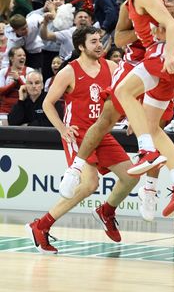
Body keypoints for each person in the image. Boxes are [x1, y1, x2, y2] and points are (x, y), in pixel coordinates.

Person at [61, 0, 174, 219]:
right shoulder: (131, 1)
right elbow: (132, 33)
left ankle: (146, 152)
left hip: (160, 55)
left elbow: (171, 25)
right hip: (162, 59)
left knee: (123, 91)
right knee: (153, 126)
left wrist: (170, 54)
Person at [25, 26, 138, 254]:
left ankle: (106, 211)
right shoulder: (69, 71)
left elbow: (126, 95)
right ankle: (41, 226)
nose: (99, 45)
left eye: (100, 40)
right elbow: (47, 103)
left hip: (101, 132)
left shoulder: (112, 67)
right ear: (80, 46)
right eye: (93, 42)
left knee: (131, 176)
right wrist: (62, 128)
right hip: (78, 135)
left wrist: (132, 118)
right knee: (89, 184)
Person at [0, 47, 34, 114]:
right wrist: (14, 83)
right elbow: (1, 92)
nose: (23, 57)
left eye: (24, 55)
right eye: (19, 55)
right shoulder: (3, 71)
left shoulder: (30, 71)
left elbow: (31, 91)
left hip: (24, 108)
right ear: (11, 58)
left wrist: (18, 79)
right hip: (5, 109)